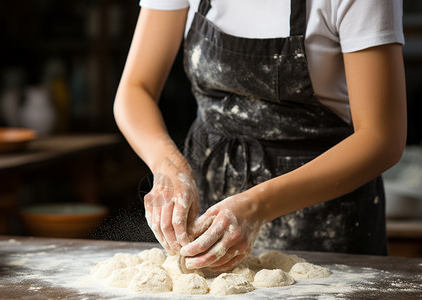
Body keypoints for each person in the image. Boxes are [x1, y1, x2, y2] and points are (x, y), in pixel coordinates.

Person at [113, 0, 406, 272]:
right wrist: (170, 169)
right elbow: (135, 89)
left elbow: (381, 137)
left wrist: (257, 206)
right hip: (209, 205)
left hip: (323, 217)